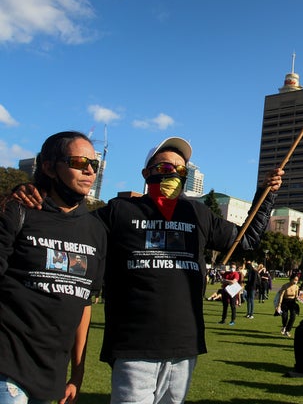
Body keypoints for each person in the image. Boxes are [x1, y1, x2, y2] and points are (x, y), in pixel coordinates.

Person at [13, 136, 283, 404]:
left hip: (185, 347)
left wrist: (266, 195)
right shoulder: (120, 211)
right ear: (146, 173)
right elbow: (70, 223)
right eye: (165, 168)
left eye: (181, 171)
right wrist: (36, 191)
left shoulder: (197, 213)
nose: (174, 175)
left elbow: (246, 239)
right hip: (134, 346)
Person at [0, 131, 107, 404]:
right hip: (7, 364)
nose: (89, 170)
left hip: (51, 375)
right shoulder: (20, 210)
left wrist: (77, 373)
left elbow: (84, 305)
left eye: (93, 164)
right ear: (48, 167)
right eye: (78, 162)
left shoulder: (96, 230)